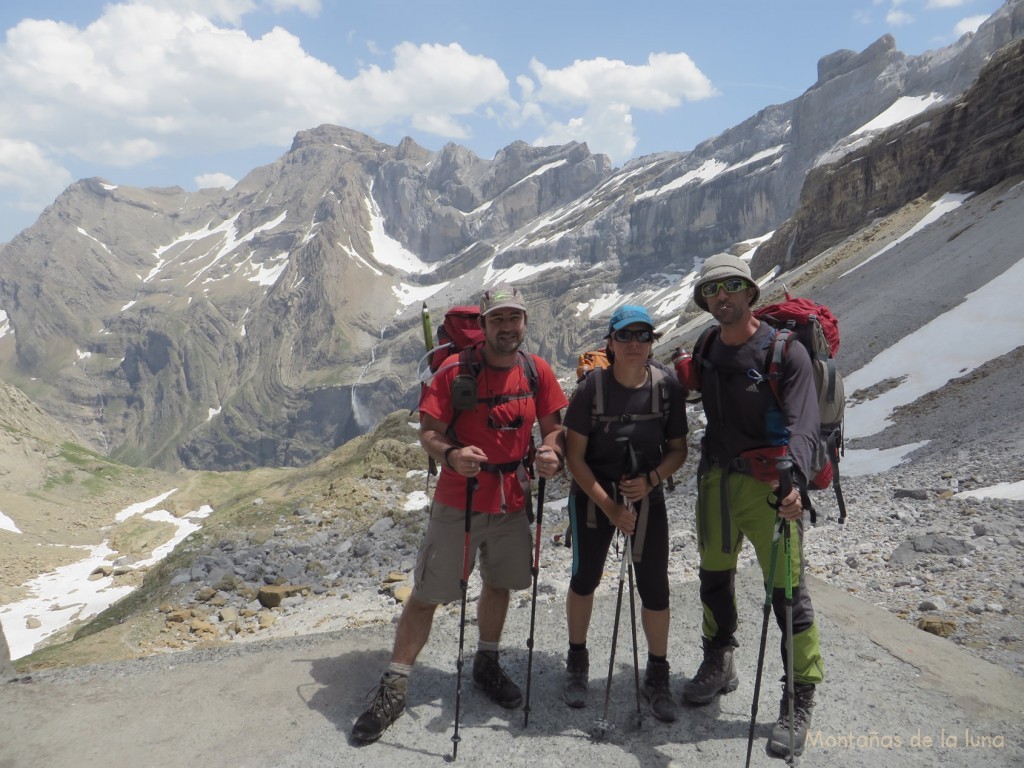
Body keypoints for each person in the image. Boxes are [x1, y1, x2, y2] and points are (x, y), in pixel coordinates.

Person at [351, 282, 568, 743]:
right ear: (484, 325)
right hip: (458, 498)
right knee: (428, 592)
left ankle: (485, 664)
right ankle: (394, 686)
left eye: (514, 318)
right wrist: (451, 456)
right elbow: (428, 432)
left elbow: (554, 429)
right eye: (498, 320)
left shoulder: (537, 371)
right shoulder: (453, 370)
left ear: (525, 321)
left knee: (500, 583)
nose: (507, 327)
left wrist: (550, 452)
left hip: (512, 498)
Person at [680, 254, 825, 758]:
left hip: (770, 488)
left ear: (749, 292)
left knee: (786, 593)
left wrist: (797, 485)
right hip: (716, 481)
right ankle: (719, 659)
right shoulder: (706, 345)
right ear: (705, 300)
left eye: (731, 286)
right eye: (712, 290)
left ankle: (799, 695)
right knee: (713, 578)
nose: (722, 296)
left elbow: (804, 423)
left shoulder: (785, 352)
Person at [561, 305, 688, 722]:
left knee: (655, 587)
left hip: (645, 496)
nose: (635, 344)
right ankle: (577, 660)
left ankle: (657, 672)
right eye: (626, 336)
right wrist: (611, 506)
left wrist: (650, 480)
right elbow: (575, 459)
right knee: (585, 578)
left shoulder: (666, 386)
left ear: (653, 342)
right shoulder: (590, 391)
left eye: (644, 336)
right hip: (595, 498)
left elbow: (678, 451)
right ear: (610, 343)